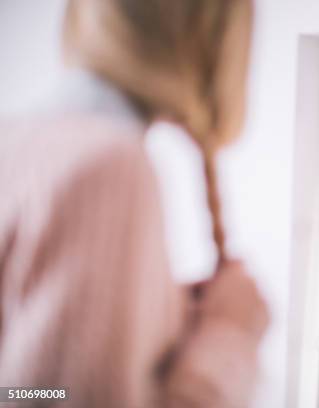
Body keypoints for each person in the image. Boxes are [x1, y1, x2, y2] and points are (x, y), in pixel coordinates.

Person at [0, 0, 268, 407]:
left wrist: (155, 322)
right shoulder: (104, 166)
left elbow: (25, 390)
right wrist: (229, 336)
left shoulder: (16, 139)